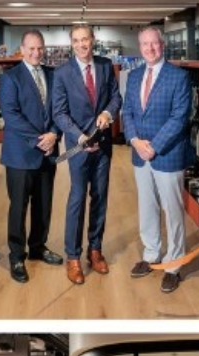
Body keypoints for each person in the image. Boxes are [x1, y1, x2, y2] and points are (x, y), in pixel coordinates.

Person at [123, 26, 193, 294]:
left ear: (162, 45)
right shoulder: (134, 75)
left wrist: (155, 146)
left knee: (172, 210)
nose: (150, 48)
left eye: (154, 44)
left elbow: (179, 117)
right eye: (144, 44)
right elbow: (128, 110)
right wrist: (133, 140)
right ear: (139, 47)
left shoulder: (179, 77)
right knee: (147, 206)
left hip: (167, 154)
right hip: (140, 153)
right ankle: (152, 253)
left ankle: (174, 263)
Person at [52, 23, 122, 285]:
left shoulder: (105, 65)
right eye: (77, 41)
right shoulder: (62, 73)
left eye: (86, 39)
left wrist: (107, 113)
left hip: (103, 145)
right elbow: (59, 112)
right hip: (78, 146)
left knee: (100, 197)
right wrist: (80, 137)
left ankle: (95, 250)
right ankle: (73, 257)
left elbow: (116, 98)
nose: (83, 44)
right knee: (77, 199)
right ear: (72, 44)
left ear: (94, 40)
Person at [0, 29, 64, 284]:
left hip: (48, 153)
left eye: (40, 48)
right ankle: (17, 255)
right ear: (22, 50)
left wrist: (55, 134)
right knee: (19, 207)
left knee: (44, 204)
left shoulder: (53, 75)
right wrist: (42, 140)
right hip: (21, 155)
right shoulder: (10, 78)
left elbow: (60, 110)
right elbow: (12, 116)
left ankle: (38, 247)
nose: (37, 53)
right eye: (31, 49)